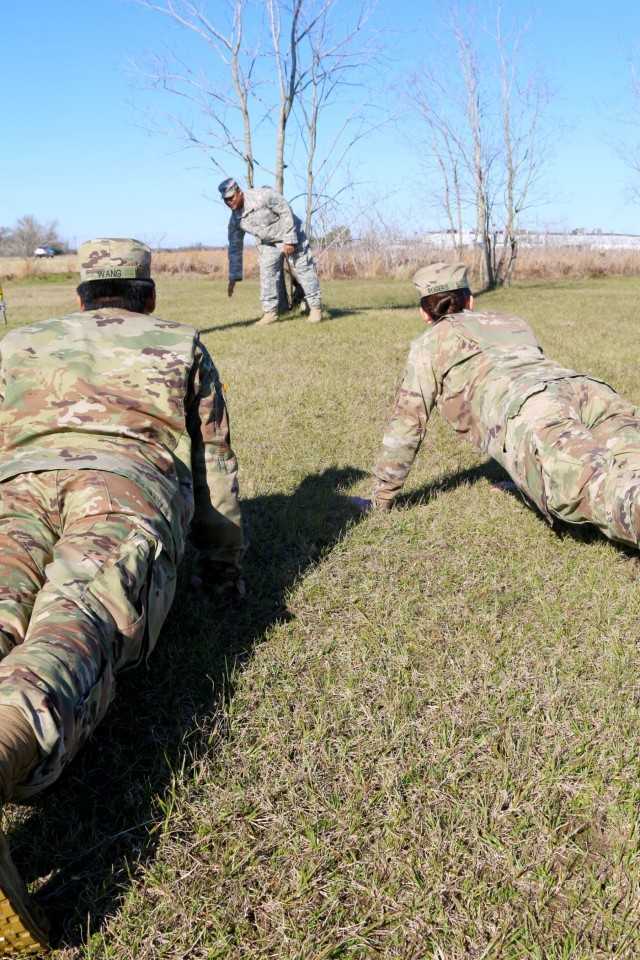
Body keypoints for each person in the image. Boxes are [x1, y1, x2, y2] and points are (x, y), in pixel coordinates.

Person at [0, 238, 244, 954]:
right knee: (82, 612)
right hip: (126, 484)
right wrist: (224, 565)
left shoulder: (20, 342)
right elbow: (216, 468)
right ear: (149, 297)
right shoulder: (180, 342)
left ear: (78, 297)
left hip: (19, 484)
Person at [360, 261, 640, 551]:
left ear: (423, 312)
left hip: (537, 408)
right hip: (590, 391)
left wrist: (380, 499)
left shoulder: (428, 345)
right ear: (471, 300)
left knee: (604, 490)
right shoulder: (510, 321)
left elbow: (407, 424)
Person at [218, 177, 324, 327]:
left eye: (231, 197)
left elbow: (285, 210)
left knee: (304, 269)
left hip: (292, 233)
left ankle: (315, 308)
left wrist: (289, 240)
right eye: (225, 200)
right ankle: (271, 314)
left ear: (239, 192)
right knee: (267, 273)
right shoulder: (236, 220)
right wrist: (234, 276)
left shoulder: (262, 195)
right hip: (269, 243)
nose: (229, 201)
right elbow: (235, 247)